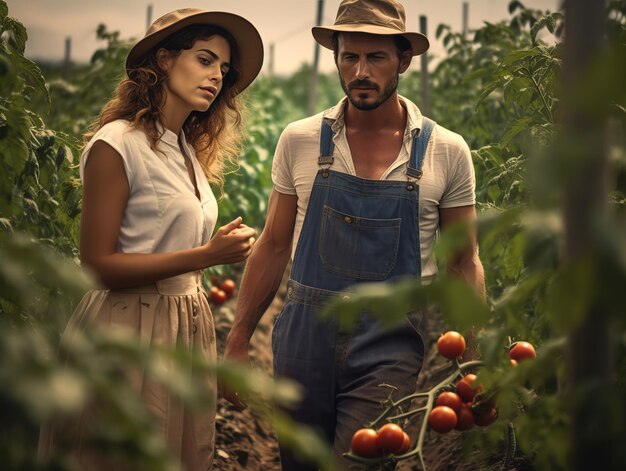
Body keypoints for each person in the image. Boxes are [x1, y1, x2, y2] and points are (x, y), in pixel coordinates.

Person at [224, 0, 485, 468]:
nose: (360, 71)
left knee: (361, 461)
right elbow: (274, 243)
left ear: (403, 61)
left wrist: (475, 354)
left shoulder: (447, 151)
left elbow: (463, 260)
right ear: (337, 58)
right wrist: (239, 338)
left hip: (390, 342)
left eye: (376, 58)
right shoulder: (300, 139)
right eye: (350, 57)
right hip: (304, 336)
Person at [38, 8, 263, 471]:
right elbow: (98, 265)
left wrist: (216, 247)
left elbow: (165, 241)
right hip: (128, 324)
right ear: (163, 59)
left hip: (184, 321)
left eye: (223, 69)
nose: (216, 76)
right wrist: (206, 254)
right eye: (204, 60)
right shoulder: (117, 144)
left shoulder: (185, 150)